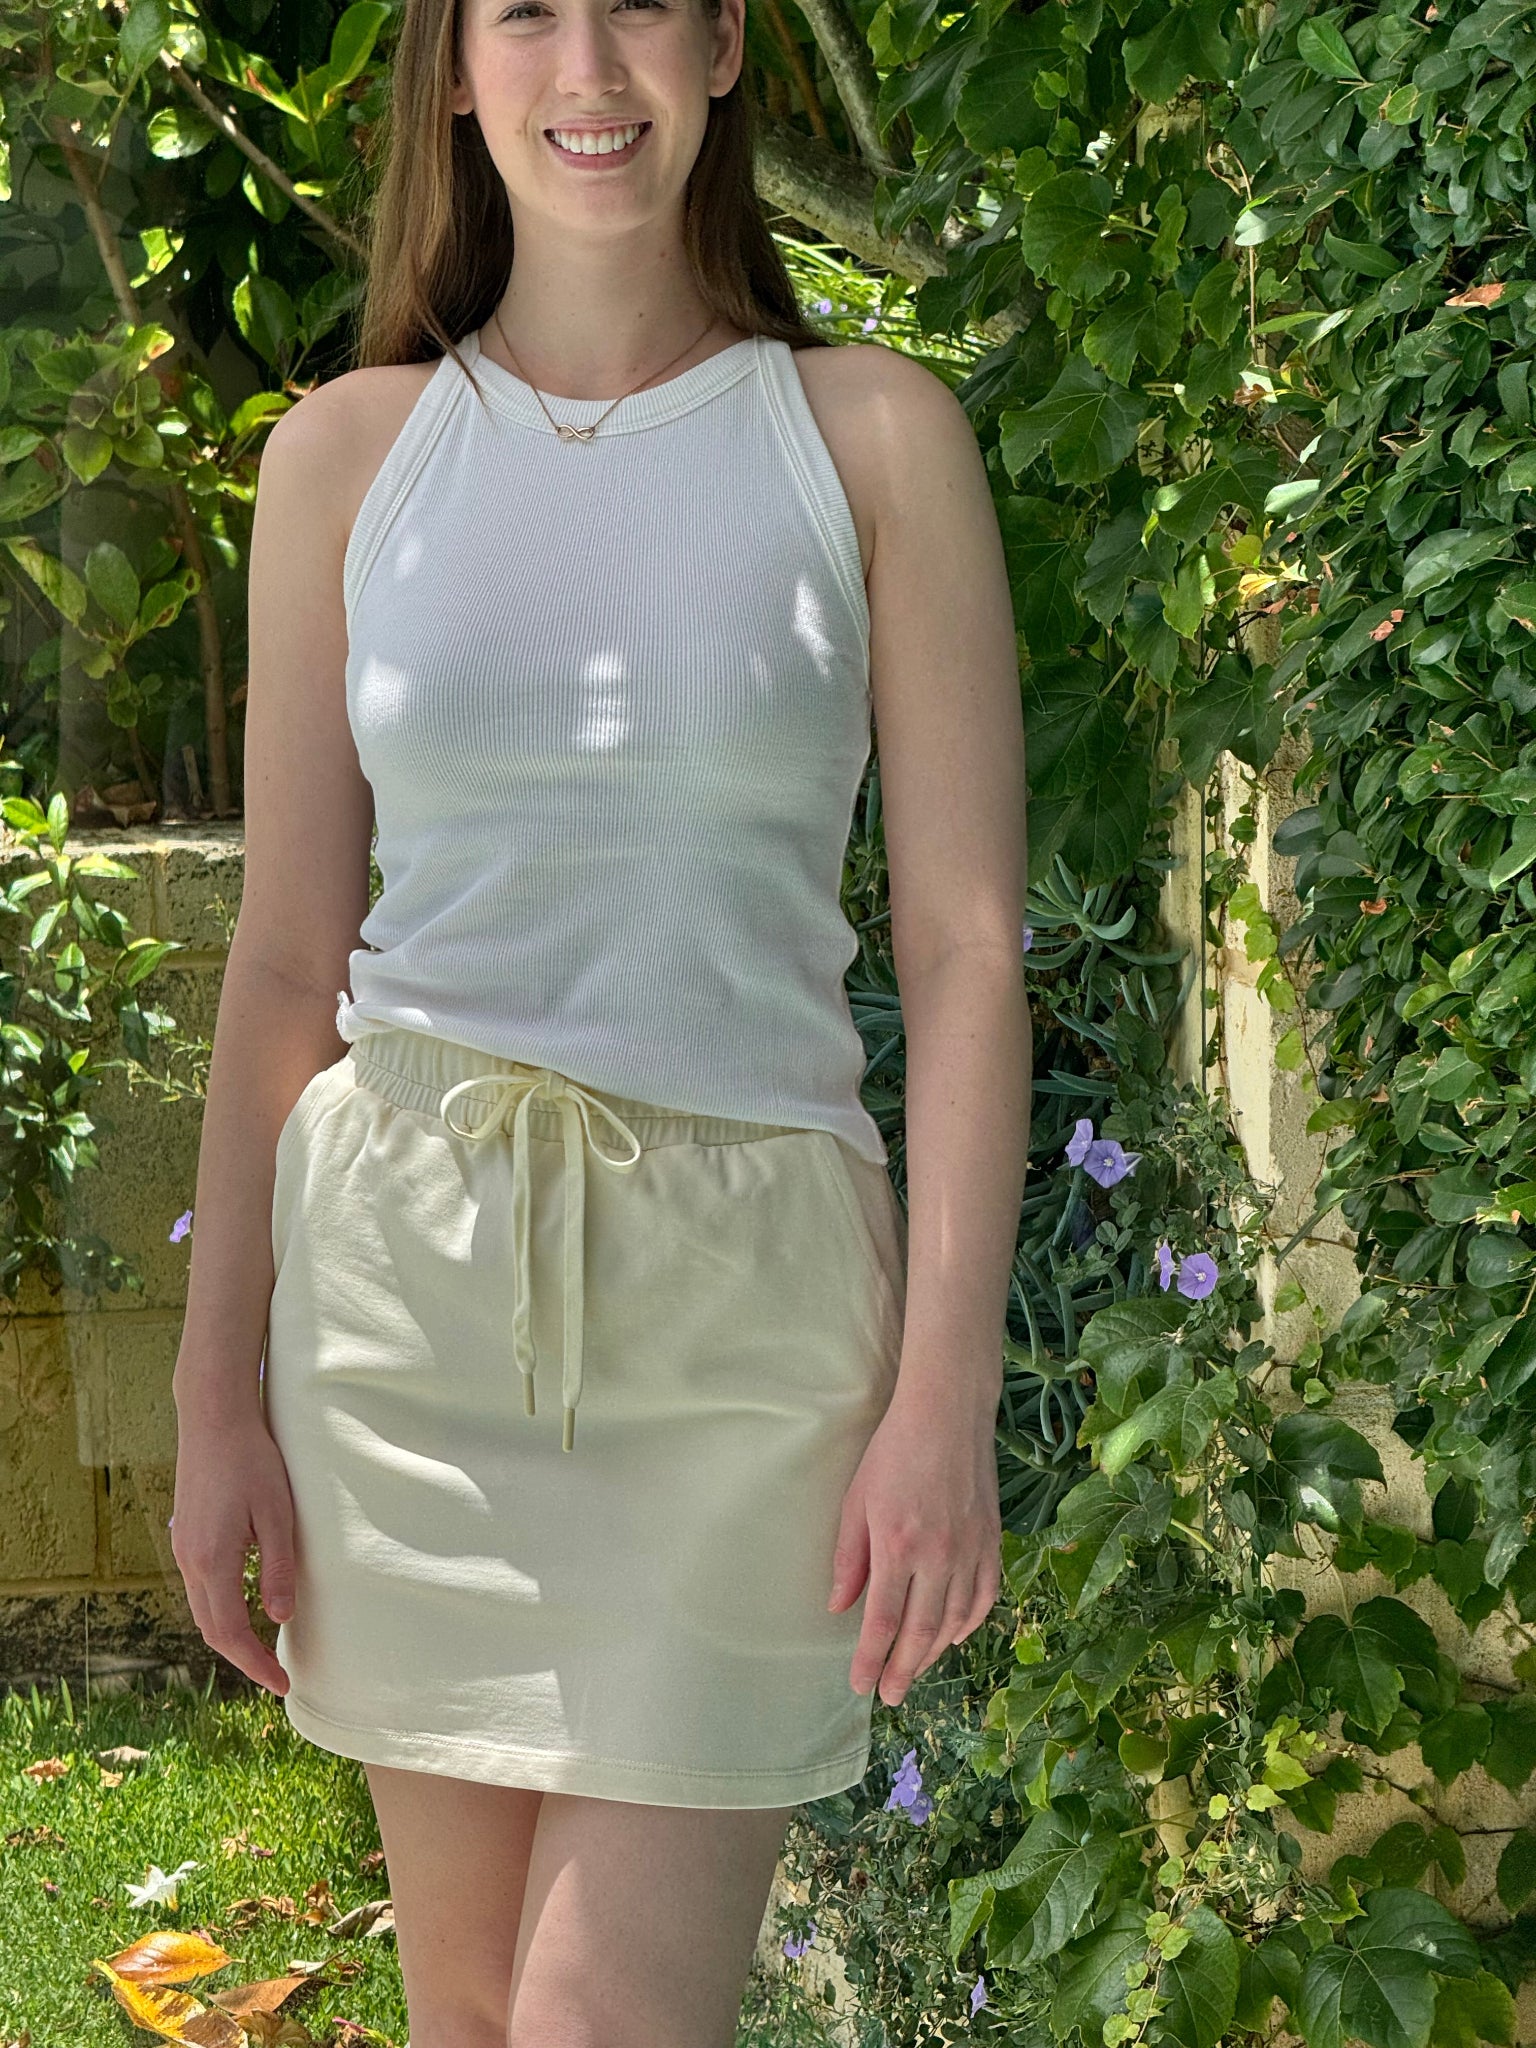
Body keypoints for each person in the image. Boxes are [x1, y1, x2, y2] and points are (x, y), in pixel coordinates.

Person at [168, 0, 1030, 2041]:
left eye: (641, 2)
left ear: (727, 45)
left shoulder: (874, 438)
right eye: (526, 11)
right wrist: (217, 1398)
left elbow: (969, 946)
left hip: (745, 1339)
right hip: (407, 1311)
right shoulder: (343, 463)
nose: (590, 65)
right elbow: (290, 962)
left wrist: (943, 1396)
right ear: (453, 70)